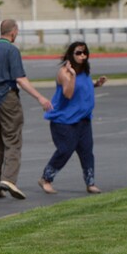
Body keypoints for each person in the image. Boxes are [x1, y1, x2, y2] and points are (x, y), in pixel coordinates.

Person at [0, 19, 52, 200]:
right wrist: (40, 97)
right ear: (14, 32)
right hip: (6, 98)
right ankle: (8, 179)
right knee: (12, 140)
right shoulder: (11, 50)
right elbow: (20, 79)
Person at [38, 41, 106, 194]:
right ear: (71, 54)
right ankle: (46, 178)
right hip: (64, 121)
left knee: (87, 151)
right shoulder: (64, 72)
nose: (82, 56)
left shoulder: (85, 71)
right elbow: (68, 94)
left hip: (83, 119)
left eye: (85, 53)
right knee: (65, 150)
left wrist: (96, 84)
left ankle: (90, 183)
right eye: (78, 53)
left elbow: (81, 88)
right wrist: (73, 75)